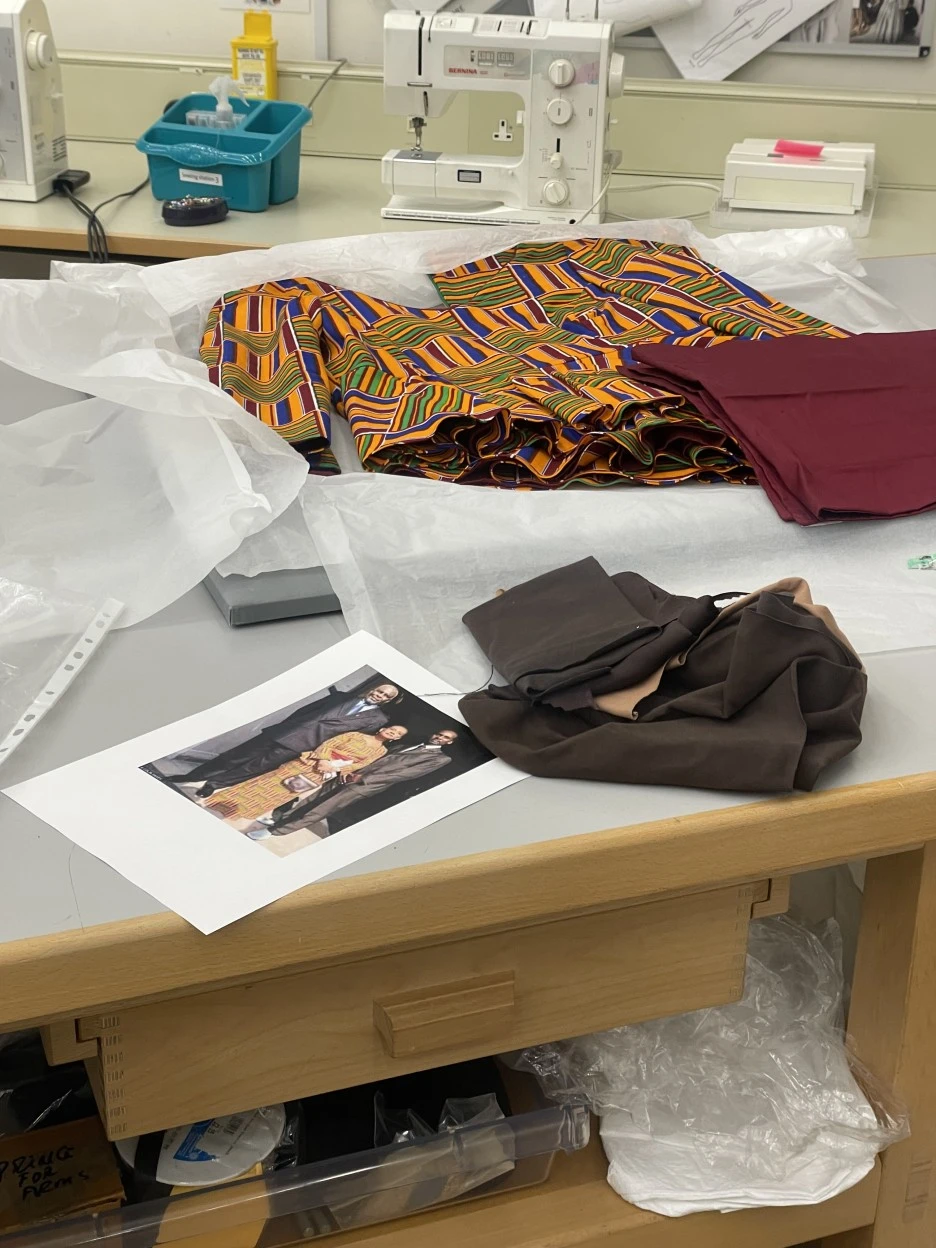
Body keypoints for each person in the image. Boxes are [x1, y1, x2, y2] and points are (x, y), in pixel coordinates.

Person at [175, 682, 401, 797]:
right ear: (373, 689)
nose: (379, 695)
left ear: (387, 701)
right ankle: (191, 776)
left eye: (385, 696)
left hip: (304, 744)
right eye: (379, 691)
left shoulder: (377, 720)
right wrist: (285, 727)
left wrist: (317, 752)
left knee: (255, 767)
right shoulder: (341, 697)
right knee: (234, 756)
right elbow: (303, 711)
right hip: (285, 731)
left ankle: (213, 785)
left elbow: (348, 738)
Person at [268, 729, 460, 836]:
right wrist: (350, 771)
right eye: (439, 734)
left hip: (366, 785)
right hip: (348, 775)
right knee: (312, 799)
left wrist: (365, 778)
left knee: (322, 809)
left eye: (446, 738)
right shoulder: (406, 745)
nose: (440, 737)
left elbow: (405, 774)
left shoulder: (440, 759)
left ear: (449, 742)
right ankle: (279, 820)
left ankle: (280, 831)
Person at [203, 725, 408, 824]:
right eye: (393, 729)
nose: (394, 733)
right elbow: (329, 744)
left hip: (324, 773)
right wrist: (324, 760)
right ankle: (222, 803)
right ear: (384, 728)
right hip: (310, 762)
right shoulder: (355, 735)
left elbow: (361, 763)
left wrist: (335, 768)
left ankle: (237, 812)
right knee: (268, 782)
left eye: (398, 734)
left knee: (284, 793)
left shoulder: (381, 751)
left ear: (396, 739)